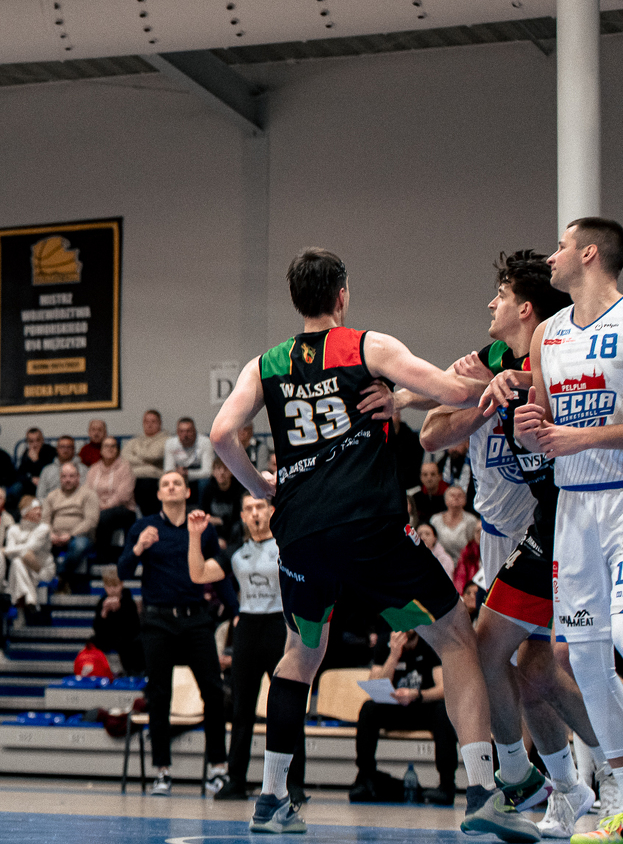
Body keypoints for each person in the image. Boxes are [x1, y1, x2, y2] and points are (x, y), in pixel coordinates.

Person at [209, 247, 528, 837]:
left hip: (301, 534)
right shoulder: (367, 346)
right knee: (456, 636)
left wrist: (260, 486)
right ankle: (484, 790)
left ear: (297, 301)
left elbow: (222, 433)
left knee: (300, 655)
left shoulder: (264, 365)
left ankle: (272, 800)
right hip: (371, 527)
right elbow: (455, 392)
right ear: (342, 295)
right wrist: (497, 379)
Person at [503, 218, 623, 843]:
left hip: (621, 499)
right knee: (584, 657)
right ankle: (620, 796)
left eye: (561, 246)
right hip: (572, 509)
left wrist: (579, 438)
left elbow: (582, 433)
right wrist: (528, 427)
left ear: (590, 253)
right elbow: (544, 424)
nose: (551, 256)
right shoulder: (548, 334)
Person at [116, 469, 229, 796]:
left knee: (213, 691)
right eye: (165, 484)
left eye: (176, 483)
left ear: (187, 491)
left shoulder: (201, 527)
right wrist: (139, 547)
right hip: (158, 620)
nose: (170, 487)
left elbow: (217, 572)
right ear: (159, 494)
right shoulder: (143, 527)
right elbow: (123, 571)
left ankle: (218, 768)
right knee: (159, 695)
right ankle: (162, 772)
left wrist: (234, 611)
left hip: (196, 618)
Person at [186, 498, 303, 803]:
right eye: (249, 508)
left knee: (287, 706)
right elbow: (198, 574)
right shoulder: (236, 552)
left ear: (272, 511)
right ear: (242, 515)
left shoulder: (288, 545)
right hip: (248, 627)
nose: (254, 513)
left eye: (260, 507)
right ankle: (236, 780)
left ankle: (293, 783)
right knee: (241, 709)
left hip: (281, 625)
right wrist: (195, 537)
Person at [352, 629, 460, 804]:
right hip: (394, 707)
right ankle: (365, 778)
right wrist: (394, 655)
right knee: (368, 709)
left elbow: (443, 689)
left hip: (422, 705)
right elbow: (375, 684)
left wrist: (416, 694)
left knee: (443, 711)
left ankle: (447, 785)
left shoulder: (430, 641)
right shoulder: (385, 642)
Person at [41, 461, 100, 593]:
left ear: (78, 477)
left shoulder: (89, 494)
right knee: (38, 543)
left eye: (71, 476)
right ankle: (44, 584)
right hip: (55, 536)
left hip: (80, 536)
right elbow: (45, 520)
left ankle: (61, 577)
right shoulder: (52, 496)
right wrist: (51, 534)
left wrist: (71, 535)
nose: (67, 480)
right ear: (60, 478)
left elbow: (91, 521)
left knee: (79, 545)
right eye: (64, 476)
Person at [89, 435, 139, 562]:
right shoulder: (94, 469)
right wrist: (96, 506)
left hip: (124, 509)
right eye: (106, 446)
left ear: (117, 450)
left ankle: (103, 557)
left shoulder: (125, 467)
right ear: (101, 450)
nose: (110, 449)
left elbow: (124, 495)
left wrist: (105, 506)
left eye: (113, 446)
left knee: (104, 516)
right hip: (98, 508)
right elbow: (87, 492)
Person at [3, 498, 53, 624]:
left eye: (40, 509)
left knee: (19, 560)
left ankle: (22, 603)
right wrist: (11, 552)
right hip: (23, 572)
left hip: (41, 570)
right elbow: (11, 556)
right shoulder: (13, 529)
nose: (39, 512)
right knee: (16, 562)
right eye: (35, 509)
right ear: (25, 512)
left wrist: (7, 550)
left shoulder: (44, 528)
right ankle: (30, 598)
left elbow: (30, 548)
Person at [123, 410, 167, 516]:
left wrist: (136, 454)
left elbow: (154, 456)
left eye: (153, 421)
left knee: (145, 485)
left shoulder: (166, 440)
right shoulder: (135, 441)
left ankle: (151, 520)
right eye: (146, 422)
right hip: (133, 478)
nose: (149, 425)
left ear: (160, 423)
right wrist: (147, 463)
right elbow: (124, 458)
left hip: (154, 479)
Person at [163, 417, 213, 498]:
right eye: (181, 431)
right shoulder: (170, 443)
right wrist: (178, 474)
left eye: (188, 431)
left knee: (205, 483)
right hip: (178, 473)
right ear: (177, 432)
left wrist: (187, 474)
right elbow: (168, 470)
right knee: (166, 483)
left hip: (198, 474)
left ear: (194, 431)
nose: (185, 435)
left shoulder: (205, 442)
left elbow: (208, 472)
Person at [431, 486, 480, 563]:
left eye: (460, 495)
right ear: (446, 500)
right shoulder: (435, 520)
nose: (456, 498)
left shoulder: (471, 520)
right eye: (452, 495)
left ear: (465, 500)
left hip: (464, 563)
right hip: (439, 563)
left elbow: (473, 546)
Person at [36, 435, 87, 501]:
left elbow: (86, 493)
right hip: (52, 505)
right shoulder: (47, 470)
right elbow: (40, 495)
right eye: (62, 447)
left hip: (76, 504)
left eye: (69, 447)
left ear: (73, 449)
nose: (65, 450)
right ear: (57, 449)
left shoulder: (83, 469)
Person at [15, 428, 57, 498]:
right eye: (31, 441)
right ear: (28, 442)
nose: (35, 444)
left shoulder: (51, 451)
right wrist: (31, 478)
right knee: (16, 487)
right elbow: (20, 474)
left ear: (42, 440)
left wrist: (36, 461)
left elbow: (50, 472)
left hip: (47, 484)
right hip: (30, 484)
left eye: (38, 440)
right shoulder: (26, 453)